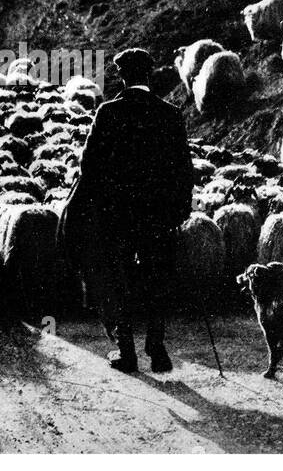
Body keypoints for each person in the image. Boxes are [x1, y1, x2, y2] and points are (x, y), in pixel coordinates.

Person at [62, 48, 194, 373]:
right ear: (148, 75)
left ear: (122, 75)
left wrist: (99, 200)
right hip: (158, 216)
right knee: (156, 277)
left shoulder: (108, 112)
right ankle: (158, 349)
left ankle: (126, 352)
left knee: (117, 278)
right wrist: (178, 210)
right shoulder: (171, 114)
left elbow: (88, 164)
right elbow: (184, 170)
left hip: (117, 215)